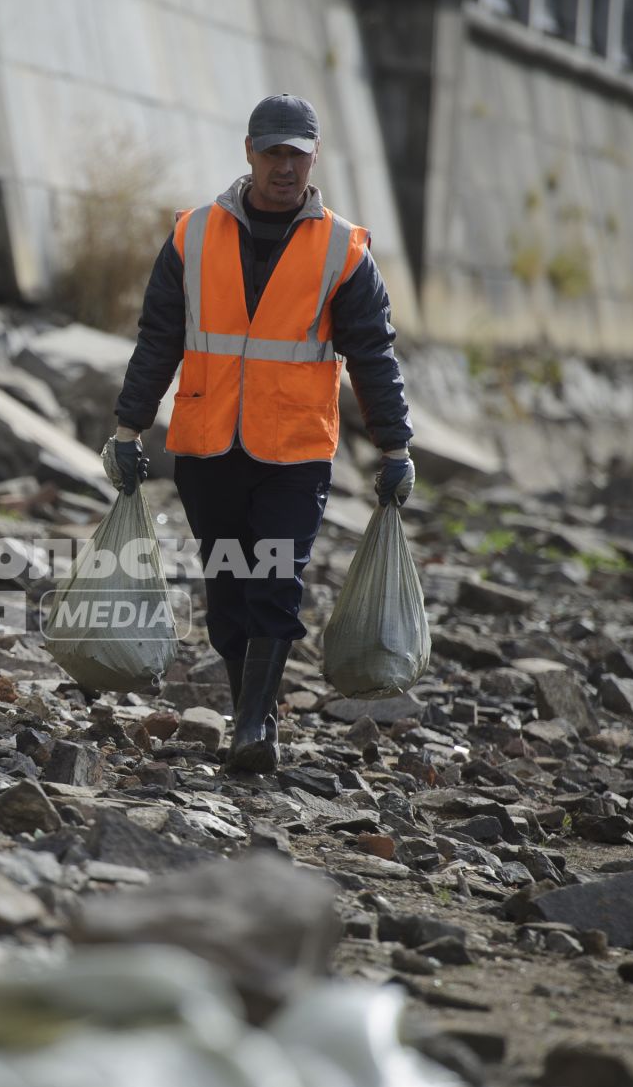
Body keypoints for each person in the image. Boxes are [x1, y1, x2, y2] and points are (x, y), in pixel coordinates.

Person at [104, 93, 414, 775]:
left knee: (274, 578)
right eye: (272, 152)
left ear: (314, 158)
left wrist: (395, 447)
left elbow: (373, 354)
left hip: (294, 454)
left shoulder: (344, 249)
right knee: (228, 592)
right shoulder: (192, 234)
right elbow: (158, 340)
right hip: (208, 447)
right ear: (249, 152)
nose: (284, 167)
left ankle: (253, 723)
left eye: (296, 155)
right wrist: (128, 428)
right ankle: (250, 702)